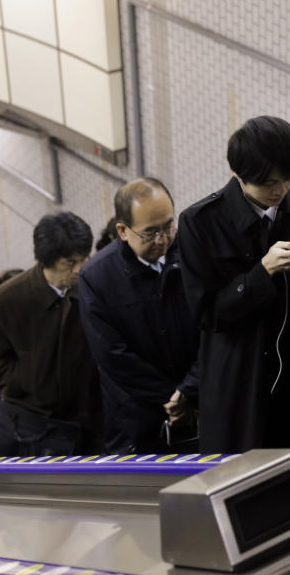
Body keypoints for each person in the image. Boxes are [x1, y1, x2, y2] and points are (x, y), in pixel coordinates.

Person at [179, 116, 290, 452]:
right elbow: (209, 315)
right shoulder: (201, 222)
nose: (279, 190)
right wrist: (261, 272)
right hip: (238, 385)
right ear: (238, 174)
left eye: (288, 178)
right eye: (267, 183)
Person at [78, 178, 199, 454]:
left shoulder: (194, 256)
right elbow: (112, 355)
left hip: (199, 404)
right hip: (136, 421)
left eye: (169, 226)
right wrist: (172, 397)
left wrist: (191, 389)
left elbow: (214, 328)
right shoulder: (97, 277)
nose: (163, 239)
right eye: (150, 232)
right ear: (122, 230)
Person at [0, 213, 102, 456]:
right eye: (69, 262)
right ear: (45, 260)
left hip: (82, 421)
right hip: (24, 420)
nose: (78, 269)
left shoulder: (92, 288)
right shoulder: (8, 298)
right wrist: (27, 383)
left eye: (84, 259)